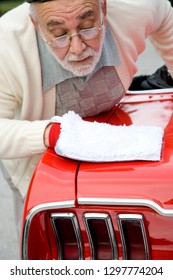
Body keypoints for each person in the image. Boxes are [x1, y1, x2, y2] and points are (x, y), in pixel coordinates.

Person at [1, 0, 173, 233]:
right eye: (59, 34)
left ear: (103, 7)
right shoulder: (6, 43)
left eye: (87, 26)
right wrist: (50, 133)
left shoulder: (135, 6)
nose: (78, 47)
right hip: (41, 164)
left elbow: (165, 15)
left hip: (114, 150)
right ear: (35, 23)